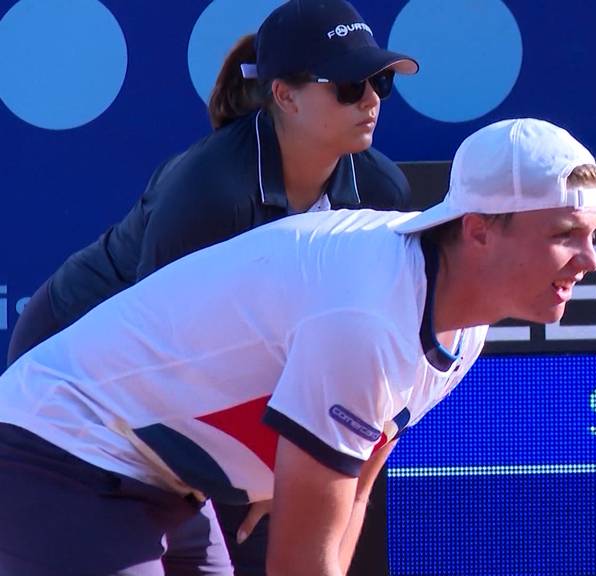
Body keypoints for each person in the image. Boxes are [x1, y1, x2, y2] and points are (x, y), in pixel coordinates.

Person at [0, 117, 596, 575]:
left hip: (160, 475)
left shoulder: (462, 324)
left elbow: (358, 485)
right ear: (477, 230)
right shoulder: (367, 315)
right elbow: (299, 561)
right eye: (565, 235)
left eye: (592, 235)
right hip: (63, 451)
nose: (590, 259)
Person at [3, 0, 417, 573]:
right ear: (285, 96)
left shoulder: (380, 192)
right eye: (349, 86)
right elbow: (161, 357)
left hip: (169, 392)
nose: (371, 100)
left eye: (379, 82)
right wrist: (269, 471)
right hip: (68, 365)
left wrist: (280, 471)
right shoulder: (210, 194)